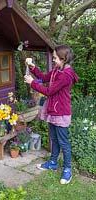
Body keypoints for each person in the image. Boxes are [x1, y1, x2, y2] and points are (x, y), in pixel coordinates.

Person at [24, 44, 78, 184]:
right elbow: (44, 77)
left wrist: (32, 83)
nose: (53, 60)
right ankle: (53, 163)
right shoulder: (57, 69)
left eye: (55, 58)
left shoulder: (66, 75)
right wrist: (33, 67)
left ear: (63, 59)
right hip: (53, 110)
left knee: (63, 142)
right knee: (54, 138)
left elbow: (49, 91)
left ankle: (67, 169)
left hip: (61, 112)